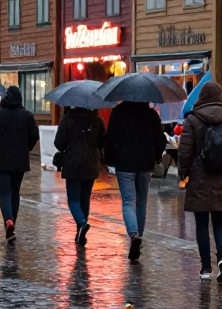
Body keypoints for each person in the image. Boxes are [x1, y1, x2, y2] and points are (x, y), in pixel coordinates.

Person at [178, 81, 222, 283]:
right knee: (220, 221)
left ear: (202, 96)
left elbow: (184, 152)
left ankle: (206, 268)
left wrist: (184, 174)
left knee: (201, 224)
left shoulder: (193, 120)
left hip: (199, 179)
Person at [104, 99, 166, 260]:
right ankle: (138, 238)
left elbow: (110, 138)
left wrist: (109, 159)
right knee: (141, 202)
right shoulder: (151, 114)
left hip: (124, 163)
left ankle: (133, 235)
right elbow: (160, 140)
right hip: (146, 163)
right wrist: (157, 157)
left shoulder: (118, 112)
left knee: (128, 201)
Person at [0, 86, 39, 241]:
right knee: (15, 192)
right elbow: (34, 134)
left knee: (4, 192)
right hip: (20, 160)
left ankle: (8, 220)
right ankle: (12, 224)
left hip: (1, 159)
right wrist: (27, 148)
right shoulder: (26, 115)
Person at [54, 106, 106, 244]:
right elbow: (102, 142)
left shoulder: (68, 119)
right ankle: (80, 233)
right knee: (84, 199)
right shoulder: (97, 121)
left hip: (73, 163)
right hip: (91, 163)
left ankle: (82, 224)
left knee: (73, 200)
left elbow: (59, 143)